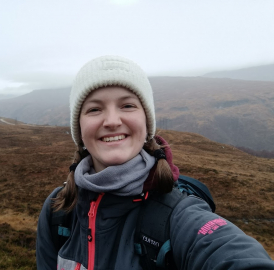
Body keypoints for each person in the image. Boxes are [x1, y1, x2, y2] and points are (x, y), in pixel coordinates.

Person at [36, 55, 274, 270]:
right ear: (79, 128)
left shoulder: (178, 217)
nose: (111, 121)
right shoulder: (58, 210)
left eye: (127, 105)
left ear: (146, 121)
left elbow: (232, 253)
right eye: (94, 109)